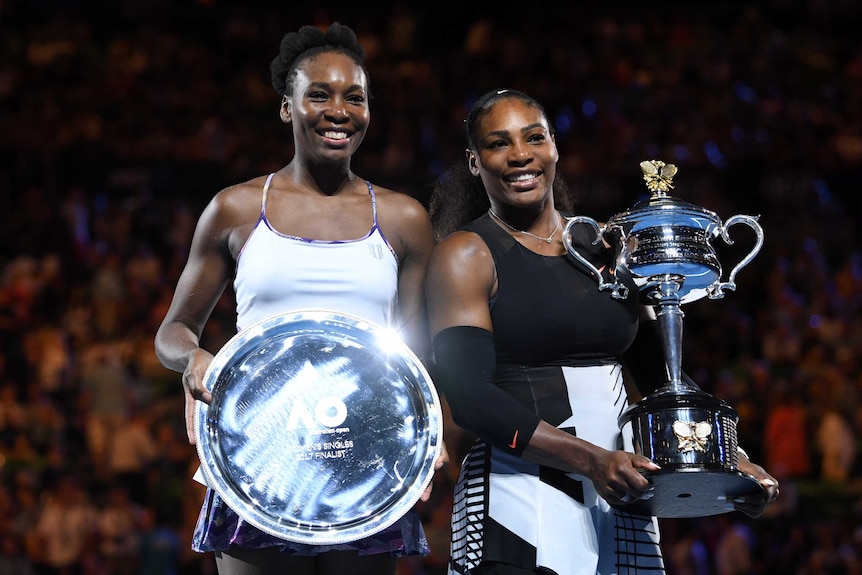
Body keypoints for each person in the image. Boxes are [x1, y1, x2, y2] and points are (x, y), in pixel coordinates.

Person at [424, 88, 780, 575]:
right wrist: (588, 459)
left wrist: (729, 458)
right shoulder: (466, 254)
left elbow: (661, 379)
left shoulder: (610, 248)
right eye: (498, 143)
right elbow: (470, 398)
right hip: (515, 499)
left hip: (619, 498)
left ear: (554, 147)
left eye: (534, 137)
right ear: (473, 161)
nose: (520, 155)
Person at [154, 22, 445, 575]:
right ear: (287, 108)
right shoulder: (235, 209)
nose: (339, 110)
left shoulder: (405, 218)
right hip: (259, 455)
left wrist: (427, 439)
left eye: (354, 97)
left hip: (365, 457)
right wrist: (194, 359)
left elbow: (419, 357)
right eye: (319, 94)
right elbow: (173, 332)